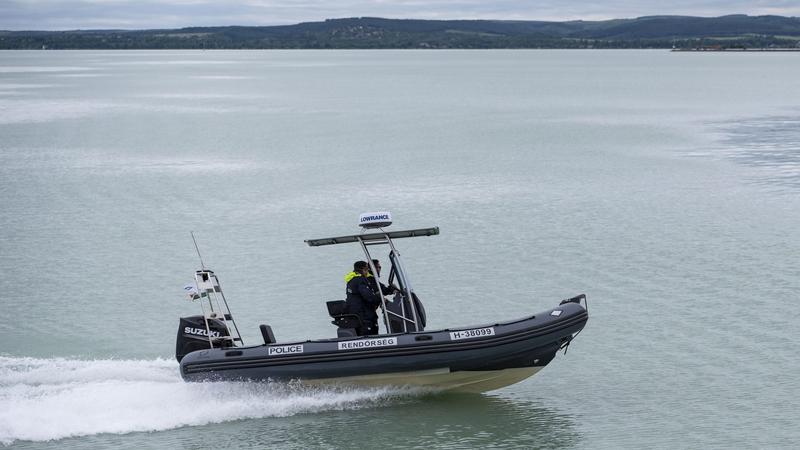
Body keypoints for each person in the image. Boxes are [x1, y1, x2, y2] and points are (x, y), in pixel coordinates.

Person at [344, 261, 382, 336]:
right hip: (364, 316)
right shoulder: (360, 280)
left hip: (357, 316)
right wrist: (380, 298)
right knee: (371, 334)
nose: (368, 272)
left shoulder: (351, 280)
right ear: (363, 270)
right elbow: (368, 296)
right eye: (367, 269)